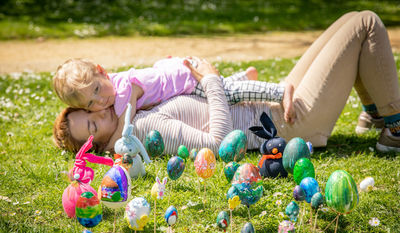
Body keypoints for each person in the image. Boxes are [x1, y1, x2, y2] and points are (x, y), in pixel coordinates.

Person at [53, 11, 400, 154]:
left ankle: (376, 113)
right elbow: (219, 144)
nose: (101, 110)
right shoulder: (143, 128)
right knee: (366, 24)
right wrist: (213, 80)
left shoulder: (134, 104)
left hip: (274, 104)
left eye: (91, 109)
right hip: (287, 124)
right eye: (94, 125)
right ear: (96, 145)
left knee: (353, 19)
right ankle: (394, 128)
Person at [53, 56, 289, 120]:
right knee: (226, 89)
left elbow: (124, 126)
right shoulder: (113, 84)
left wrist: (110, 147)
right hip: (172, 71)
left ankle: (280, 92)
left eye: (96, 90)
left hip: (183, 80)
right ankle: (243, 77)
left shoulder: (123, 89)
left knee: (226, 95)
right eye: (90, 104)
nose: (100, 101)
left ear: (102, 71)